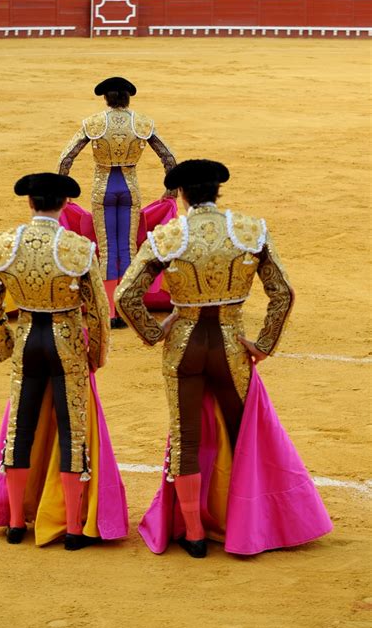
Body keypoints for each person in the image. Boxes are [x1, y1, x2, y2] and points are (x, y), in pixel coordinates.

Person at [115, 159, 333, 558]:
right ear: (218, 191)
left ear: (181, 195)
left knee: (186, 437)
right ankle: (243, 523)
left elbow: (125, 296)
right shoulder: (250, 231)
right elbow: (282, 293)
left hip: (184, 345)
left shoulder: (168, 236)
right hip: (232, 345)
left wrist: (154, 332)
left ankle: (195, 534)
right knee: (241, 434)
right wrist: (264, 343)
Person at [0, 173, 128, 549]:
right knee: (72, 431)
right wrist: (94, 356)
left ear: (30, 202)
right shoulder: (78, 248)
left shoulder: (2, 244)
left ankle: (15, 523)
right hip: (65, 340)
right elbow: (97, 312)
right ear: (64, 205)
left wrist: (7, 346)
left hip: (28, 338)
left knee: (20, 429)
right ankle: (75, 529)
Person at [57, 77, 176, 327]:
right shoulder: (141, 123)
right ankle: (129, 308)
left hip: (103, 189)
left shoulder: (94, 122)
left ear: (106, 99)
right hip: (129, 188)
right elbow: (169, 157)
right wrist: (171, 190)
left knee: (108, 250)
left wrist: (62, 189)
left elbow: (66, 158)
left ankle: (110, 312)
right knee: (128, 248)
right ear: (128, 98)